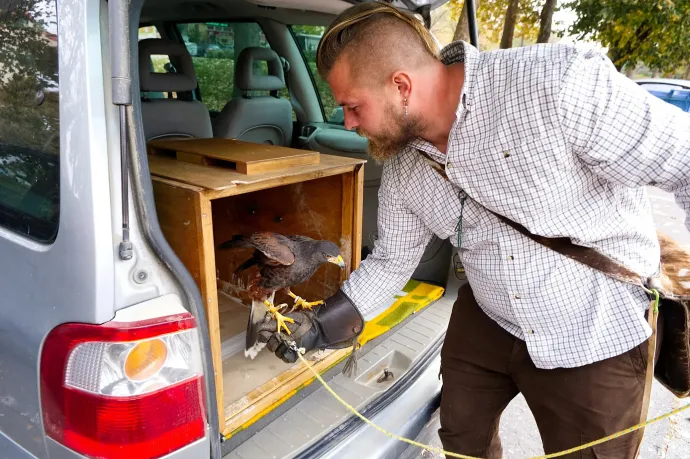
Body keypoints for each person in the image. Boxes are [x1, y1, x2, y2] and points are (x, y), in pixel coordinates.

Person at [256, 2, 690, 458]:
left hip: (594, 330)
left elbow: (684, 162)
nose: (347, 123)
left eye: (352, 106)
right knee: (462, 441)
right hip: (490, 314)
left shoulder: (557, 85)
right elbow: (391, 261)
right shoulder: (405, 166)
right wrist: (318, 327)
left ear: (401, 86)